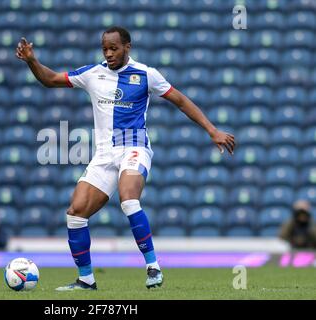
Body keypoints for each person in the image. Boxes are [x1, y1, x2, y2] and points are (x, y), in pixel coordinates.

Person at [16, 26, 236, 290]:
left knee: (128, 197)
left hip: (134, 147)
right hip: (104, 154)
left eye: (114, 48)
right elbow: (50, 80)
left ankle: (153, 266)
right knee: (75, 212)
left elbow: (180, 100)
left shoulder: (146, 74)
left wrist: (212, 130)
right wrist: (32, 61)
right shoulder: (92, 73)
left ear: (127, 47)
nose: (108, 54)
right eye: (105, 49)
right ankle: (86, 279)